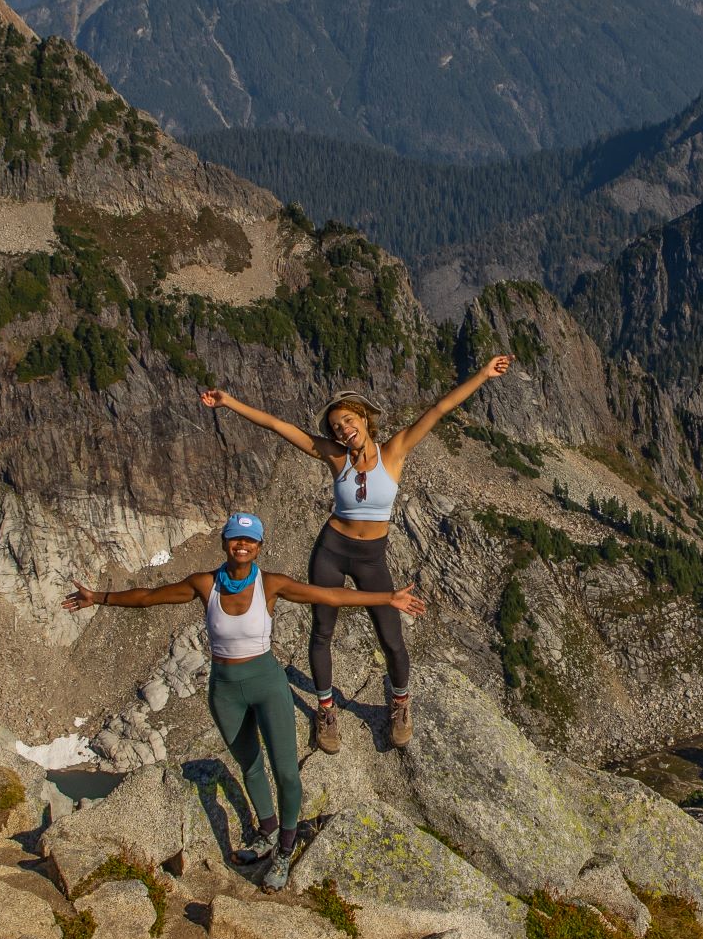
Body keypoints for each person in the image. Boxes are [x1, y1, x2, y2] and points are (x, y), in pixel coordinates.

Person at [61, 512, 423, 890]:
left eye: (250, 541)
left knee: (285, 770)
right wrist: (98, 598)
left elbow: (330, 595)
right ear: (225, 542)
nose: (242, 545)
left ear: (260, 547)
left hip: (267, 684)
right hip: (225, 689)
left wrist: (387, 597)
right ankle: (267, 832)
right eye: (236, 539)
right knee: (249, 764)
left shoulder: (271, 585)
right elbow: (151, 598)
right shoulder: (205, 585)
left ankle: (285, 848)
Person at [200, 356, 511, 752]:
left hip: (370, 556)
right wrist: (229, 402)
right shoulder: (335, 457)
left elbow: (440, 409)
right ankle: (326, 710)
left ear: (364, 418)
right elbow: (278, 426)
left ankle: (400, 702)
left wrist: (483, 373)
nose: (343, 430)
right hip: (331, 549)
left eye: (348, 421)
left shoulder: (394, 451)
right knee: (322, 631)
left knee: (391, 635)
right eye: (336, 427)